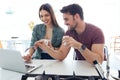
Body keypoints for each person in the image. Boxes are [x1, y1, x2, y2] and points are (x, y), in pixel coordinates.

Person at [34, 3, 105, 64]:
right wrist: (46, 48)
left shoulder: (96, 32)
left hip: (95, 70)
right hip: (80, 68)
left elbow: (98, 61)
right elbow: (61, 55)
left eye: (66, 19)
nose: (64, 23)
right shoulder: (69, 33)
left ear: (76, 16)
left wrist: (79, 46)